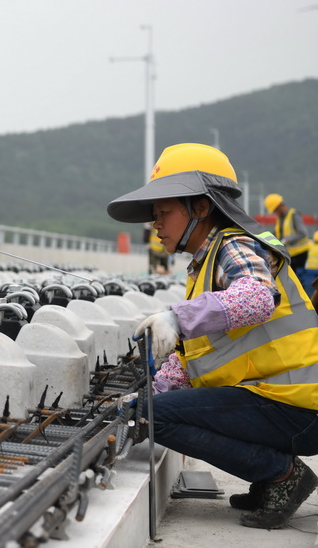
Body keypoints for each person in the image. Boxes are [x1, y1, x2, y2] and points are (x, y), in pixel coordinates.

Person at [108, 143, 318, 530]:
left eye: (163, 212)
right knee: (152, 405)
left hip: (299, 406)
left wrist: (176, 318)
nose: (155, 224)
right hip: (291, 404)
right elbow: (200, 359)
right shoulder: (205, 265)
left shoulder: (234, 245)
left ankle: (281, 474)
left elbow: (257, 296)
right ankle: (268, 478)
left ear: (201, 208)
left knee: (156, 418)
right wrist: (151, 390)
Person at [265, 193, 310, 276]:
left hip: (300, 254)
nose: (275, 213)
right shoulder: (280, 219)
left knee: (299, 279)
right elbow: (276, 234)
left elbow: (303, 233)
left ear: (280, 206)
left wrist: (287, 240)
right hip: (289, 255)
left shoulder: (294, 215)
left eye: (275, 210)